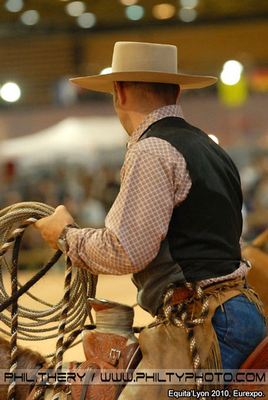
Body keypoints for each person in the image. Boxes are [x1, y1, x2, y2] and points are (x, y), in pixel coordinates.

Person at [35, 42, 266, 389]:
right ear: (175, 92)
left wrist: (65, 235)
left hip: (206, 324)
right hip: (239, 313)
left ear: (119, 92)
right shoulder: (211, 149)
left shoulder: (152, 150)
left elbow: (125, 250)